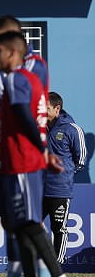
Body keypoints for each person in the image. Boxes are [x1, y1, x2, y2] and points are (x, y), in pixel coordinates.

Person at [0, 31, 71, 277]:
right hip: (17, 159)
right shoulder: (31, 80)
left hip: (23, 160)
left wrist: (43, 151)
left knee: (29, 224)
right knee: (19, 224)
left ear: (11, 53)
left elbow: (24, 116)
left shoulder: (18, 79)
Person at [0, 15, 52, 277]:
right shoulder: (10, 66)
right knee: (9, 220)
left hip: (25, 153)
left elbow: (9, 98)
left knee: (28, 217)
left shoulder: (33, 64)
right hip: (5, 149)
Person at [44, 92, 87, 264]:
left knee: (58, 227)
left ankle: (57, 264)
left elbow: (81, 160)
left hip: (59, 189)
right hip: (38, 188)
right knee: (29, 225)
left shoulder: (72, 129)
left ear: (57, 109)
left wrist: (63, 174)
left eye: (46, 108)